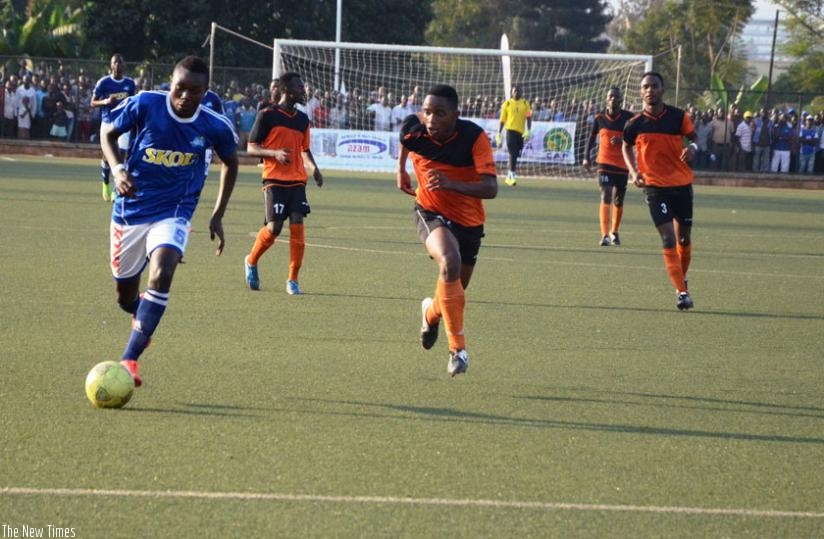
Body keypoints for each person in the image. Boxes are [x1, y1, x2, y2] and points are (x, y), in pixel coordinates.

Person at [99, 55, 239, 387]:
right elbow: (107, 133)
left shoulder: (215, 124)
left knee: (162, 273)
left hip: (175, 210)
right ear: (170, 84)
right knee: (125, 297)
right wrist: (118, 170)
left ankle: (129, 359)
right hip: (131, 209)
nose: (185, 96)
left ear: (205, 92)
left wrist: (218, 214)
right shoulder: (147, 103)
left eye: (195, 91)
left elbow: (231, 163)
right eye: (180, 88)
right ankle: (142, 320)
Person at [396, 84, 498, 377]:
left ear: (455, 114)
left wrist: (451, 183)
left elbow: (491, 188)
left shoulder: (473, 137)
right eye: (427, 112)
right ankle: (458, 351)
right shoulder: (414, 131)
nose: (431, 119)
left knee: (452, 292)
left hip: (469, 222)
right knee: (449, 261)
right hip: (429, 211)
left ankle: (430, 315)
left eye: (439, 113)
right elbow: (405, 140)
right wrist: (401, 169)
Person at [243, 72, 323, 295]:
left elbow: (304, 149)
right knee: (274, 228)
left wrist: (314, 168)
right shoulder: (267, 115)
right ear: (286, 90)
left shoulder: (302, 120)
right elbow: (251, 148)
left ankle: (293, 279)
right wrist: (274, 153)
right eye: (299, 87)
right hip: (274, 179)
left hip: (297, 180)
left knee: (297, 222)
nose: (303, 91)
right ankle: (251, 260)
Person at [622, 72, 697, 311]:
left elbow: (694, 138)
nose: (649, 90)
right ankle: (682, 292)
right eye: (645, 87)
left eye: (654, 86)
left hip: (682, 186)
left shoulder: (678, 117)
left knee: (684, 238)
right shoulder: (634, 124)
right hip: (654, 188)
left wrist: (692, 148)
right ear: (640, 91)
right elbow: (625, 146)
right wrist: (634, 172)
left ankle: (681, 280)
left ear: (662, 89)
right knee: (668, 238)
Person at [582, 87, 633, 246]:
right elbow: (591, 139)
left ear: (620, 100)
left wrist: (622, 140)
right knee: (606, 194)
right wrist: (586, 157)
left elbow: (636, 138)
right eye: (610, 96)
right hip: (604, 163)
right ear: (606, 99)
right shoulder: (599, 118)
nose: (612, 99)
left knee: (618, 199)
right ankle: (604, 235)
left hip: (622, 164)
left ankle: (614, 232)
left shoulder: (629, 118)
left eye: (616, 96)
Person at [92, 54, 136, 201]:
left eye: (120, 62)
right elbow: (93, 102)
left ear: (124, 65)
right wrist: (106, 101)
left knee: (121, 156)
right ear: (111, 65)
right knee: (107, 157)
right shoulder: (104, 82)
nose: (118, 65)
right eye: (115, 62)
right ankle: (106, 183)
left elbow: (132, 102)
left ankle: (116, 190)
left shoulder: (130, 83)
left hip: (123, 123)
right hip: (108, 122)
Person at [496, 85, 532, 186]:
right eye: (515, 91)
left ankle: (509, 175)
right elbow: (502, 120)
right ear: (512, 92)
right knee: (513, 153)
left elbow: (529, 117)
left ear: (522, 92)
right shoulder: (507, 103)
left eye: (519, 91)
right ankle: (512, 176)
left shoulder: (525, 103)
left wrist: (528, 130)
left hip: (520, 133)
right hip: (510, 131)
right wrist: (499, 133)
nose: (517, 92)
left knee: (516, 154)